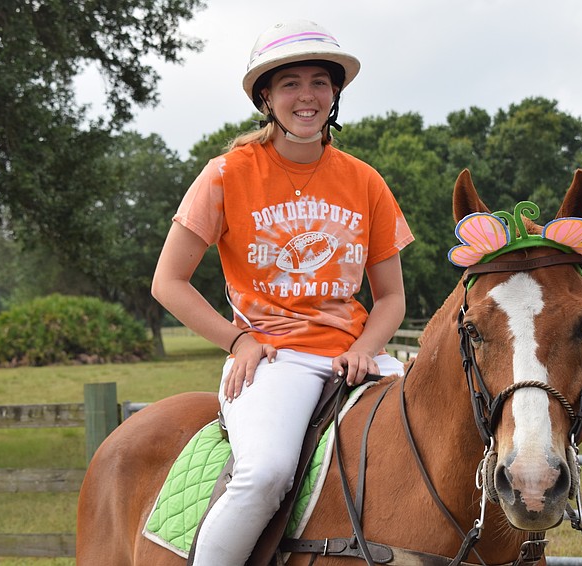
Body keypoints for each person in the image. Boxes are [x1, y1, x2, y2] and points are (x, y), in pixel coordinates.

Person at [150, 18, 414, 566]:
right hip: (275, 358)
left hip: (356, 358)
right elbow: (168, 283)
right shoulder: (226, 175)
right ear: (266, 97)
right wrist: (237, 341)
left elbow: (390, 297)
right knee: (264, 474)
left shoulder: (365, 181)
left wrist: (366, 347)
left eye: (320, 81)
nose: (307, 96)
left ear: (335, 93)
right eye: (290, 83)